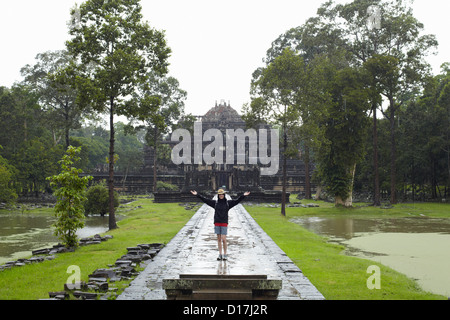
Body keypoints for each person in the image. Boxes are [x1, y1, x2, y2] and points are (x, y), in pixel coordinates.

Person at [190, 189, 250, 261]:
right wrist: (197, 195)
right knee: (219, 239)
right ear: (218, 195)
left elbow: (237, 201)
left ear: (224, 195)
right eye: (220, 194)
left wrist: (243, 195)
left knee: (224, 239)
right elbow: (205, 200)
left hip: (224, 222)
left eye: (222, 194)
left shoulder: (228, 203)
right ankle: (220, 254)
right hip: (217, 222)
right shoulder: (215, 203)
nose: (221, 195)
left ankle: (225, 254)